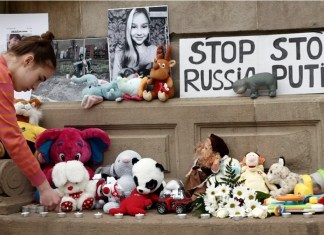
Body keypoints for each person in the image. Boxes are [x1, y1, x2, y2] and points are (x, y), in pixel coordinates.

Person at [0, 31, 62, 210]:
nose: (35, 87)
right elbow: (12, 137)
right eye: (39, 79)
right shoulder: (2, 79)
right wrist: (44, 188)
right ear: (28, 60)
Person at [112, 7, 157, 79]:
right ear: (128, 29)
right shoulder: (120, 52)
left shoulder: (155, 51)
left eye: (144, 26)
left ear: (149, 28)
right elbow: (115, 83)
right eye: (134, 27)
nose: (139, 33)